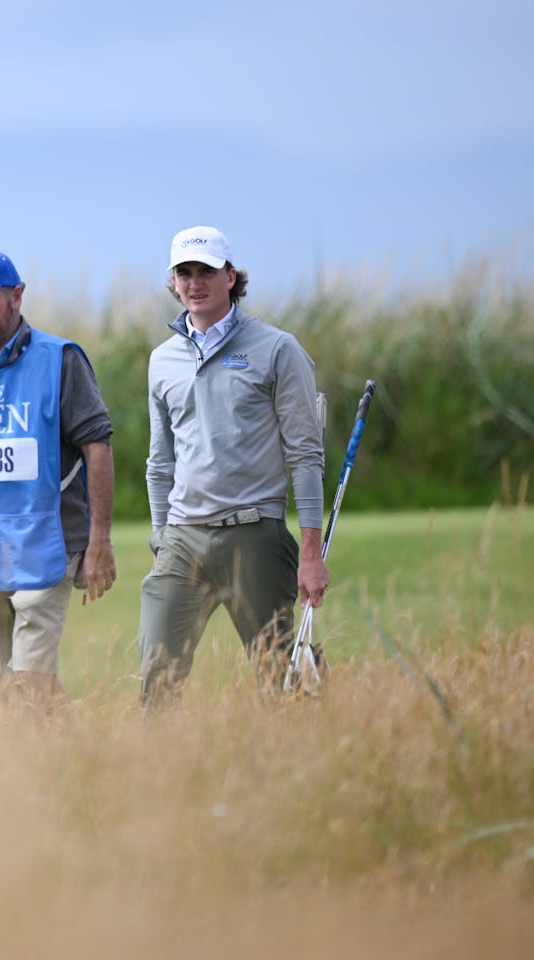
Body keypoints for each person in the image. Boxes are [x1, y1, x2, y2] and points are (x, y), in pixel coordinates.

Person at [139, 225, 329, 705]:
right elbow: (160, 461)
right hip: (182, 538)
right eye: (185, 272)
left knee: (281, 680)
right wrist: (161, 537)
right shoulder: (162, 360)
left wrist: (310, 552)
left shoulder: (277, 349)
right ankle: (154, 777)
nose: (195, 282)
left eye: (206, 271)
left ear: (231, 277)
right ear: (173, 282)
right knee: (156, 678)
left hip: (255, 534)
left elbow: (304, 454)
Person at [0, 248, 116, 707]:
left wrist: (100, 541)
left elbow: (98, 447)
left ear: (17, 296)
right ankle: (63, 756)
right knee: (1, 687)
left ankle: (47, 767)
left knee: (30, 679)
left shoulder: (61, 359)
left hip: (47, 538)